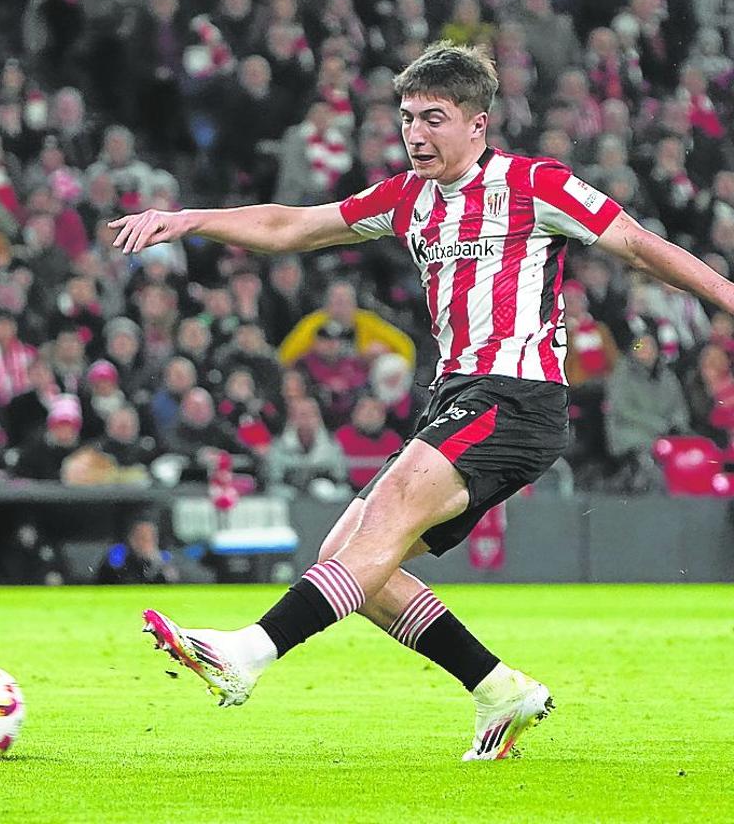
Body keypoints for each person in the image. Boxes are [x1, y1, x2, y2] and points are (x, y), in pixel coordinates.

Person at [112, 42, 734, 761]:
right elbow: (292, 227)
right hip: (457, 399)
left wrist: (725, 295)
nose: (415, 133)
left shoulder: (535, 184)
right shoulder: (407, 198)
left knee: (378, 526)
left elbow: (634, 243)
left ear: (478, 124)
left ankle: (246, 654)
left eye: (433, 118)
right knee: (348, 553)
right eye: (407, 117)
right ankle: (499, 689)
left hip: (517, 395)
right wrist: (190, 218)